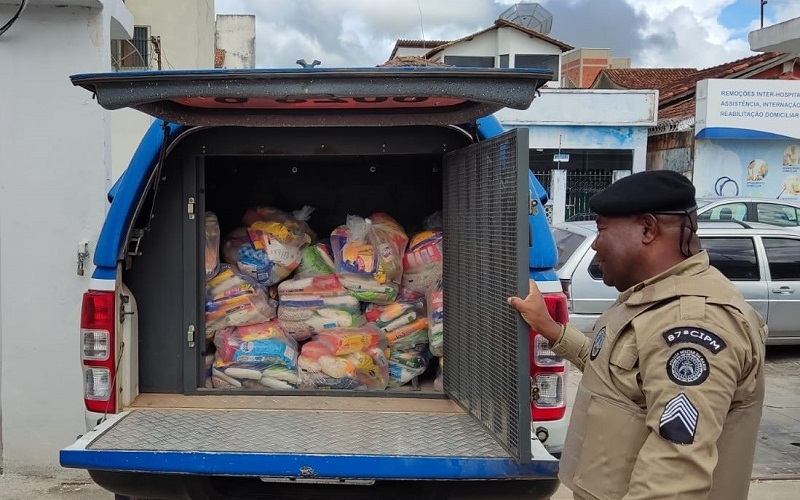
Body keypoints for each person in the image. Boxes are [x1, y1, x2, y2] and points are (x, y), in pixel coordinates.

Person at [509, 170, 766, 500]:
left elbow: (674, 478)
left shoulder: (693, 324)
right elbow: (621, 374)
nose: (596, 245)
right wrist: (552, 330)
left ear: (647, 229)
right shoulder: (654, 297)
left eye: (602, 229)